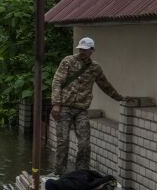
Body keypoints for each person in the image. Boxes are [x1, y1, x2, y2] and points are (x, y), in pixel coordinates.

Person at [51, 37, 131, 175]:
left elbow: (105, 85)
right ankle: (59, 172)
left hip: (81, 110)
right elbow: (57, 82)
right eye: (81, 49)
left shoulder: (95, 68)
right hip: (65, 107)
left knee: (84, 143)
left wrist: (120, 98)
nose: (82, 52)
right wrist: (56, 104)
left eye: (85, 50)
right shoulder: (68, 61)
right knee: (63, 141)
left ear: (92, 51)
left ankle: (82, 173)